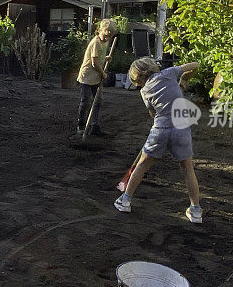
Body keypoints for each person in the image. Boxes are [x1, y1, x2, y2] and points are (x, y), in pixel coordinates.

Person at [115, 57, 203, 223]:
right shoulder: (169, 74)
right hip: (181, 128)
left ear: (138, 78)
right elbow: (195, 65)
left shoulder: (144, 91)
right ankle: (196, 210)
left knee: (142, 164)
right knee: (187, 169)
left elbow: (154, 115)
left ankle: (125, 200)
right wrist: (184, 78)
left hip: (160, 129)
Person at [76, 18, 115, 135]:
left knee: (98, 101)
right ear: (99, 31)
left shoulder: (105, 41)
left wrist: (106, 58)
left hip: (97, 77)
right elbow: (94, 63)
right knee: (85, 101)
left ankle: (94, 126)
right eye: (106, 34)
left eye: (110, 36)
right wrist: (103, 73)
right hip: (87, 76)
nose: (107, 38)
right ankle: (81, 126)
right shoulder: (95, 42)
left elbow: (99, 57)